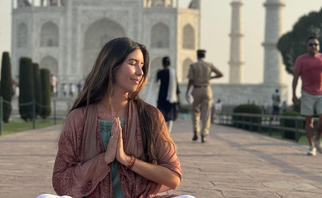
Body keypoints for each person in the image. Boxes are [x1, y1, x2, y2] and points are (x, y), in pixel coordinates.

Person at [42, 37, 194, 198]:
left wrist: (127, 160)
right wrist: (104, 159)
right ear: (111, 66)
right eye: (132, 63)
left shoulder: (149, 116)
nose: (140, 72)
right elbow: (60, 181)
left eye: (142, 65)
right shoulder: (79, 118)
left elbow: (173, 177)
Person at [292, 36, 322, 156]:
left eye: (316, 44)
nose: (313, 46)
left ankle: (317, 138)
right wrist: (293, 94)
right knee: (309, 121)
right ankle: (311, 145)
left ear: (319, 46)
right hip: (307, 93)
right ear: (307, 47)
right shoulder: (301, 59)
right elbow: (296, 77)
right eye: (311, 44)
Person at [185, 49, 223, 143]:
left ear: (197, 56)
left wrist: (187, 92)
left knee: (195, 111)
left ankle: (195, 131)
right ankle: (204, 134)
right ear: (204, 56)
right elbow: (221, 74)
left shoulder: (193, 66)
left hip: (196, 89)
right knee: (206, 113)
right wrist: (211, 77)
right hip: (207, 89)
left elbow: (190, 80)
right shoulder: (209, 65)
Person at [146, 56, 180, 133]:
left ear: (163, 63)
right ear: (169, 63)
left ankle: (163, 131)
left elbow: (154, 84)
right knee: (170, 116)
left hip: (161, 96)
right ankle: (168, 132)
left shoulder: (160, 72)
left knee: (161, 115)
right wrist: (179, 99)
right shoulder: (173, 73)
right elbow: (176, 87)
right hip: (171, 98)